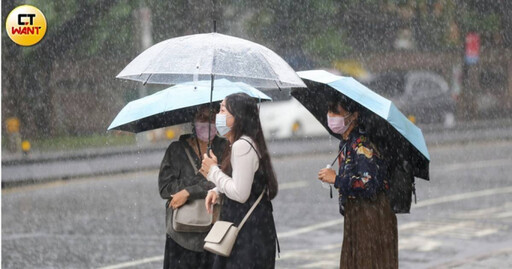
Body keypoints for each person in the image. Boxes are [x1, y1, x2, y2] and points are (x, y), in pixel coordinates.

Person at [317, 94, 398, 269]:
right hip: (357, 214)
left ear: (353, 115)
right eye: (329, 111)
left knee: (368, 263)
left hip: (371, 215)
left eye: (336, 112)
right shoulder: (347, 142)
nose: (331, 117)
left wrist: (337, 179)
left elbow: (368, 184)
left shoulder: (362, 143)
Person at [200, 93, 278, 269]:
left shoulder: (242, 145)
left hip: (248, 234)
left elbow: (240, 193)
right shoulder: (243, 142)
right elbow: (242, 181)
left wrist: (213, 172)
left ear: (238, 117)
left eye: (222, 110)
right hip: (253, 229)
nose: (217, 116)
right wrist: (216, 190)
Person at [159, 105, 227, 269]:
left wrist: (189, 192)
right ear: (193, 120)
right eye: (202, 118)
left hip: (215, 234)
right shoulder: (176, 150)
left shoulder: (225, 147)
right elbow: (165, 188)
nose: (207, 123)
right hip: (181, 235)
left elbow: (225, 183)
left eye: (211, 117)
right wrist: (201, 180)